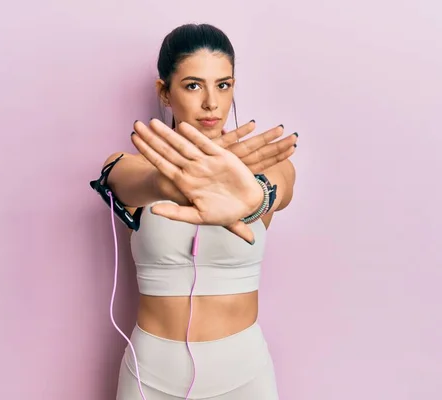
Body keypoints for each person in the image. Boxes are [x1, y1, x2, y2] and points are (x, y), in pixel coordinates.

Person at [100, 23, 298, 399]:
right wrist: (173, 185)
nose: (212, 103)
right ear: (165, 92)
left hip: (245, 377)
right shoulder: (134, 169)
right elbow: (116, 177)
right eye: (193, 85)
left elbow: (279, 188)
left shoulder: (263, 167)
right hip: (150, 378)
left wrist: (256, 197)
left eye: (223, 85)